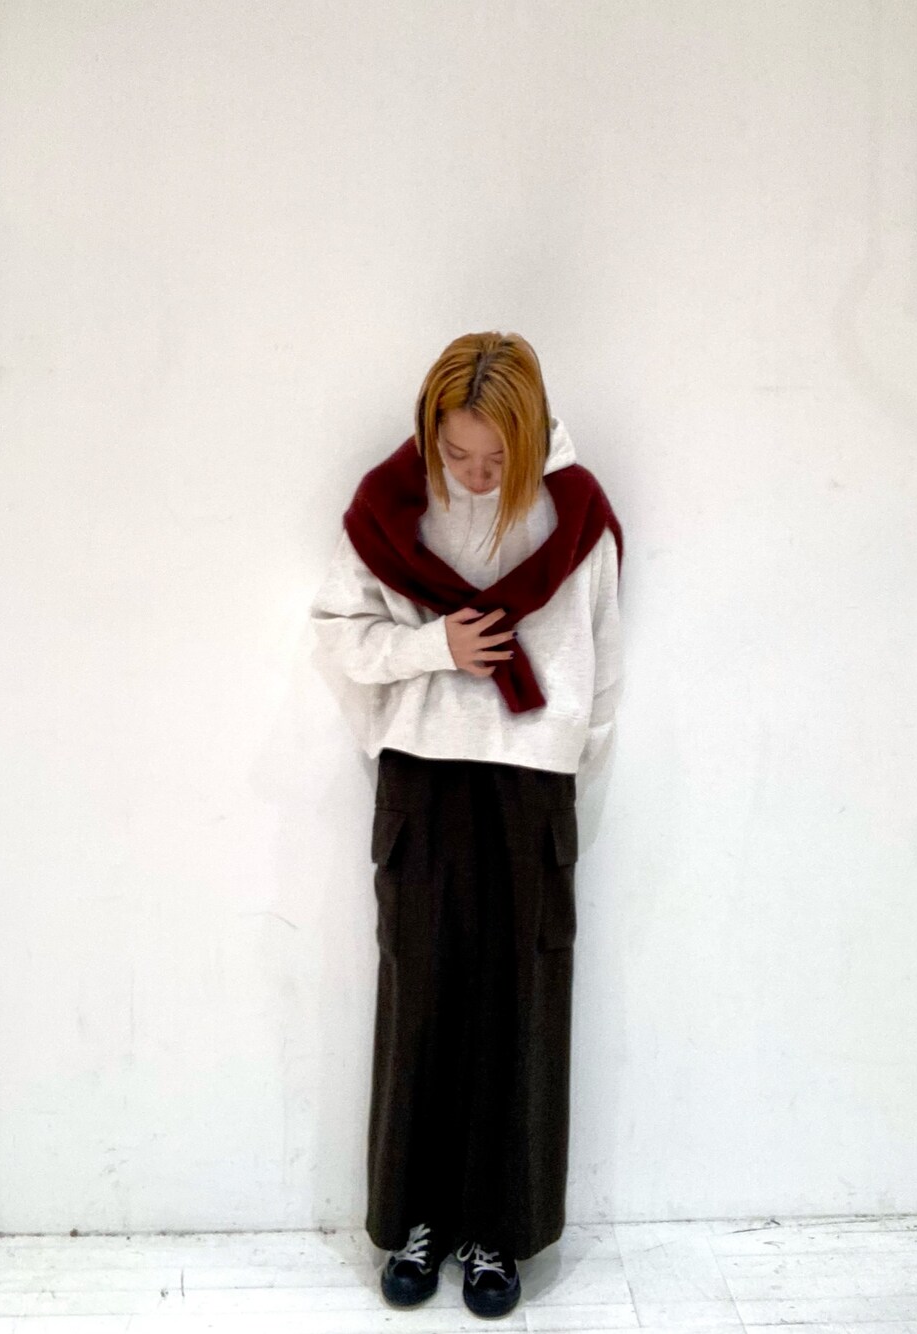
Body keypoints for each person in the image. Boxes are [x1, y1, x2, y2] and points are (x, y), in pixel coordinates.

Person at [309, 330, 624, 1319]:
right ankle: (418, 1219)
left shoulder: (577, 515)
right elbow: (335, 637)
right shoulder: (389, 508)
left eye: (497, 458)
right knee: (420, 999)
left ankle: (498, 1231)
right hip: (424, 777)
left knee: (522, 1004)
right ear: (430, 431)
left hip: (531, 785)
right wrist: (434, 646)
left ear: (531, 436)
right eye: (458, 454)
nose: (477, 476)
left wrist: (568, 781)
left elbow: (603, 667)